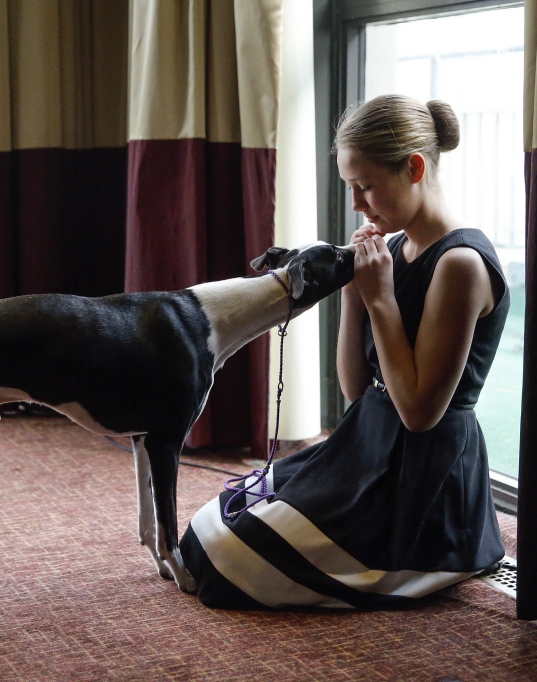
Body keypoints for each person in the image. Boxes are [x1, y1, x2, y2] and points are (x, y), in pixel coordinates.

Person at [178, 94, 509, 609]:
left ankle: (442, 556)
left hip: (422, 478)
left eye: (365, 185)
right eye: (350, 187)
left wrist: (381, 299)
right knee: (215, 523)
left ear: (414, 167)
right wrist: (356, 291)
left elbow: (419, 414)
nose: (356, 202)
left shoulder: (460, 264)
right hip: (365, 443)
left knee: (231, 557)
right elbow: (359, 392)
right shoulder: (395, 248)